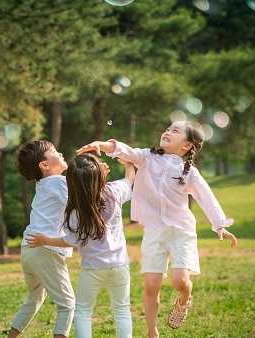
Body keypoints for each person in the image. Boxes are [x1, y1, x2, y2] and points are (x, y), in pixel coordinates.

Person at [76, 120, 238, 338]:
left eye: (175, 131)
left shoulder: (189, 172)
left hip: (182, 232)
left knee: (179, 281)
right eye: (168, 129)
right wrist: (102, 145)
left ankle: (184, 298)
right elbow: (125, 150)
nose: (167, 132)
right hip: (154, 231)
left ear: (187, 145)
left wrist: (220, 224)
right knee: (152, 285)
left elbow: (206, 196)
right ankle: (153, 331)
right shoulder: (147, 157)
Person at [26, 153, 135, 338]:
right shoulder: (114, 192)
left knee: (83, 313)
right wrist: (128, 162)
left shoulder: (74, 211)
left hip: (92, 270)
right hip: (119, 266)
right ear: (100, 176)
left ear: (71, 183)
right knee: (122, 310)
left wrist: (46, 241)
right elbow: (130, 178)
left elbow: (71, 240)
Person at [8, 140, 75, 338]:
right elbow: (77, 204)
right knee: (67, 305)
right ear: (44, 166)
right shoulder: (57, 182)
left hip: (29, 248)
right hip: (45, 249)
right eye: (54, 151)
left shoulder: (44, 184)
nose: (60, 152)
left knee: (34, 298)